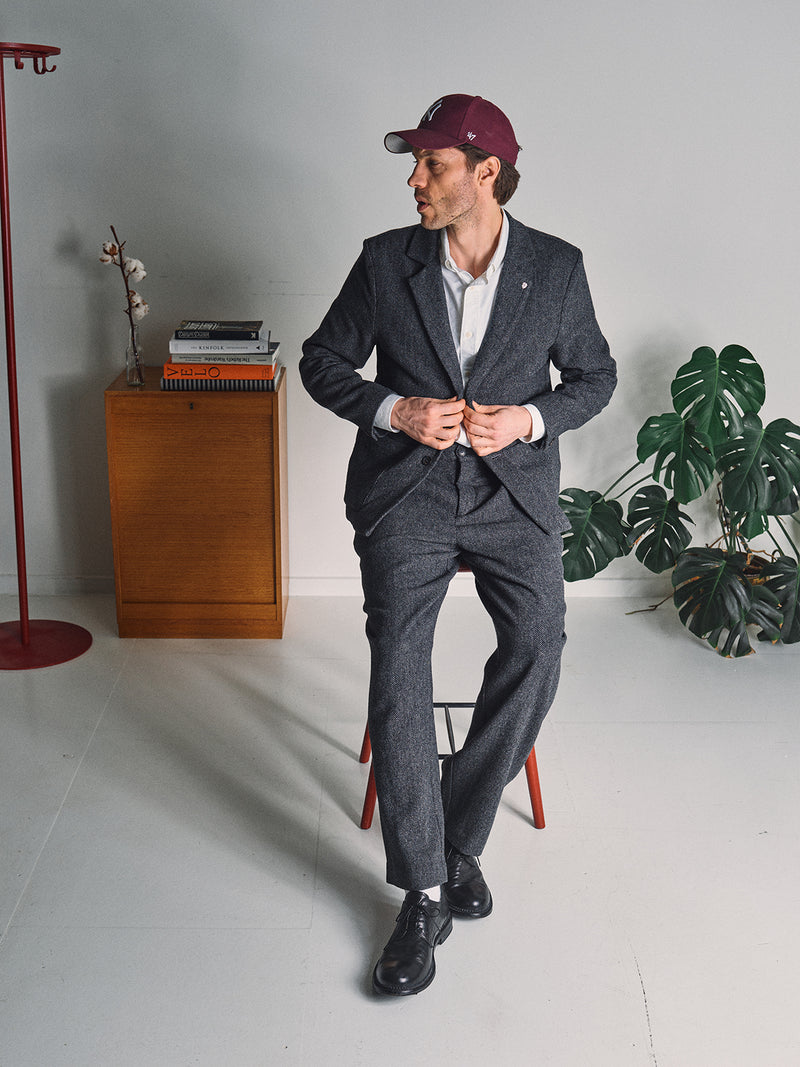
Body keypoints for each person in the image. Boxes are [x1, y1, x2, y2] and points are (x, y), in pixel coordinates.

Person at [300, 93, 616, 996]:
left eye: (431, 164)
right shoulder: (384, 260)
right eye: (415, 164)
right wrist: (392, 408)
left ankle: (455, 829)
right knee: (398, 656)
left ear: (486, 173)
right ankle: (426, 888)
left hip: (511, 495)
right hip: (408, 493)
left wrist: (527, 418)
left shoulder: (556, 268)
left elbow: (595, 377)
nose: (413, 178)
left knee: (539, 645)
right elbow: (322, 359)